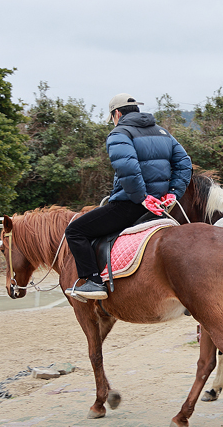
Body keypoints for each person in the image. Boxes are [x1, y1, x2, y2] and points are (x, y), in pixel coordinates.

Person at [64, 93, 192, 300]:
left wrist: (141, 196)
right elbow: (185, 163)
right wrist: (173, 193)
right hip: (163, 207)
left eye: (113, 117)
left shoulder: (119, 133)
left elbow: (127, 167)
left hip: (132, 205)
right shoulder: (163, 132)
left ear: (117, 113)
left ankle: (93, 281)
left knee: (75, 231)